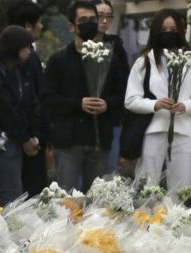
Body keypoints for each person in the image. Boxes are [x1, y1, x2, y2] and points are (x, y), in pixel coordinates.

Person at [44, 0, 126, 192]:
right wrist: (78, 104)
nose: (89, 23)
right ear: (72, 26)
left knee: (97, 199)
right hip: (69, 141)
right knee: (67, 197)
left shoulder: (111, 59)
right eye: (83, 20)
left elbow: (121, 94)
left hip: (99, 139)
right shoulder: (58, 60)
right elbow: (48, 99)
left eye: (92, 19)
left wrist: (107, 104)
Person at [124, 9, 191, 191]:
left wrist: (186, 106)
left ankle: (176, 211)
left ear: (182, 31)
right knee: (146, 184)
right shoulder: (144, 62)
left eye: (173, 30)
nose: (169, 34)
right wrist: (154, 104)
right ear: (155, 31)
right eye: (163, 29)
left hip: (184, 131)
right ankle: (142, 210)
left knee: (181, 186)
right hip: (152, 131)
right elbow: (131, 99)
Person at [0, 25, 42, 205]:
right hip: (3, 141)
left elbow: (30, 104)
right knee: (11, 195)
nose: (29, 51)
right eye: (26, 46)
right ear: (14, 47)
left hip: (20, 138)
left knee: (19, 192)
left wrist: (34, 134)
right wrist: (25, 139)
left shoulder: (19, 71)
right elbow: (4, 110)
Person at [7, 0, 49, 196]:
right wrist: (35, 135)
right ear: (27, 26)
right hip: (29, 138)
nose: (41, 26)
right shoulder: (27, 57)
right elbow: (35, 99)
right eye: (38, 22)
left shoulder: (5, 57)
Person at [93, 0, 130, 173]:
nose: (104, 21)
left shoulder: (116, 46)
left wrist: (108, 103)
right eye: (100, 16)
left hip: (110, 118)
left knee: (108, 171)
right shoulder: (77, 46)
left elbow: (123, 84)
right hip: (81, 121)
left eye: (108, 17)